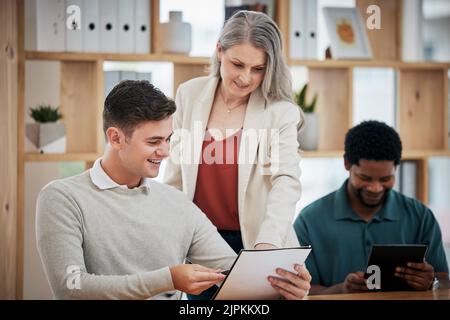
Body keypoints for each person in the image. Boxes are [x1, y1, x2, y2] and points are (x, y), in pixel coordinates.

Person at [36, 80, 311, 300]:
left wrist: (284, 287)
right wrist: (167, 279)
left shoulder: (177, 203)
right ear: (116, 137)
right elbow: (70, 287)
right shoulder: (62, 198)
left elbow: (234, 273)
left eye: (168, 139)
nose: (166, 151)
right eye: (154, 141)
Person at [164, 10, 301, 260]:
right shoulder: (189, 94)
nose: (245, 77)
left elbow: (286, 180)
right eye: (237, 64)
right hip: (200, 242)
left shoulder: (280, 112)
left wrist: (268, 242)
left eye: (258, 69)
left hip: (258, 240)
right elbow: (176, 176)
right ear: (219, 51)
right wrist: (168, 236)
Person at [294, 120, 449, 295]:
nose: (375, 188)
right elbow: (299, 292)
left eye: (385, 179)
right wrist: (341, 290)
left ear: (396, 168)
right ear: (346, 163)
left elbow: (444, 279)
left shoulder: (420, 216)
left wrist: (432, 282)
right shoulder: (309, 221)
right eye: (365, 178)